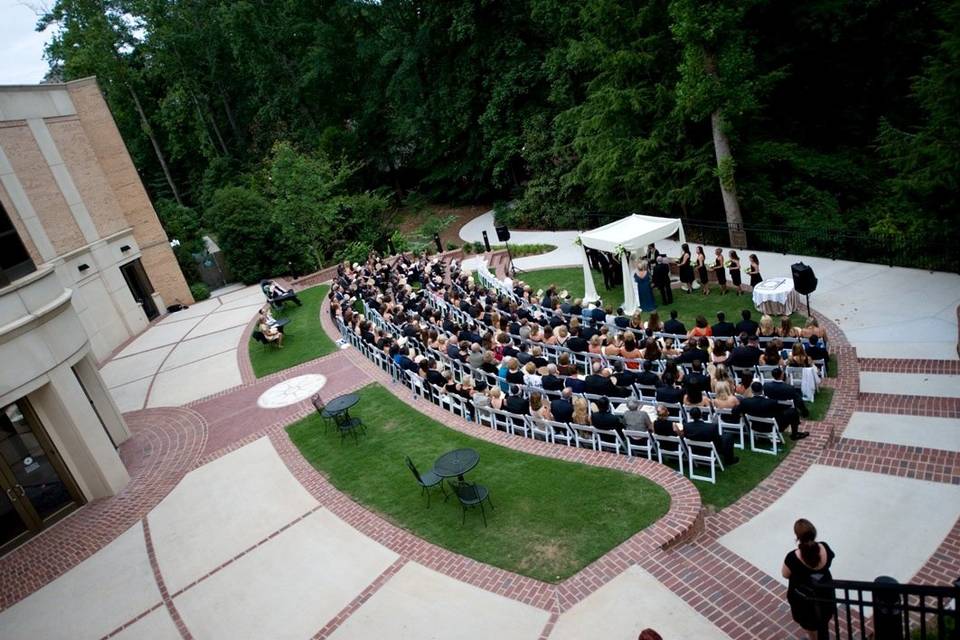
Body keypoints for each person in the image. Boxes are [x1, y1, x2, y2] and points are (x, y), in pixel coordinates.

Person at [782, 518, 836, 640]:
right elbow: (829, 560)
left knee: (810, 625)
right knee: (823, 618)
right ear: (814, 533)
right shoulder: (825, 547)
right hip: (825, 594)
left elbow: (785, 574)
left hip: (804, 600)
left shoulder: (792, 557)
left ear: (797, 537)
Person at [740, 382, 809, 440]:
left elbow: (735, 411)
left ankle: (795, 434)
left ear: (752, 391)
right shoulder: (771, 402)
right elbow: (780, 412)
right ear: (762, 390)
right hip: (770, 427)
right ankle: (795, 434)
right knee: (793, 412)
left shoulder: (745, 402)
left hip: (755, 427)